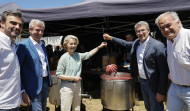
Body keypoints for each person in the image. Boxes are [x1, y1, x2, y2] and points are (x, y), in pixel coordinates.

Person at [103, 21, 169, 111]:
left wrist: (161, 91)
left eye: (143, 30)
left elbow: (164, 71)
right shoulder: (137, 42)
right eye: (138, 31)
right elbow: (125, 43)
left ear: (148, 30)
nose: (140, 33)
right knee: (148, 107)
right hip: (142, 81)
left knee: (156, 108)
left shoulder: (158, 46)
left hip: (154, 84)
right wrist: (111, 38)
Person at [56, 35, 107, 111]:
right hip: (67, 87)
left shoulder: (78, 55)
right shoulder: (63, 58)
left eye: (75, 44)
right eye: (71, 44)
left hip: (77, 85)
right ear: (65, 45)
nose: (73, 46)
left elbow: (89, 54)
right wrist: (73, 78)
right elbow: (59, 75)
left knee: (77, 108)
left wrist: (99, 47)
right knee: (65, 109)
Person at [155, 11, 190, 111]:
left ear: (178, 22)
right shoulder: (169, 40)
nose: (166, 30)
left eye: (168, 25)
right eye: (162, 28)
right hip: (175, 88)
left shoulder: (188, 37)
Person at [16, 19, 52, 111]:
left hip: (44, 84)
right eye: (37, 30)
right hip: (31, 86)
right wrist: (22, 90)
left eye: (42, 30)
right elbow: (16, 69)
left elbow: (45, 64)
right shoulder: (22, 46)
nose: (40, 33)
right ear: (30, 30)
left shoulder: (42, 45)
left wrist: (48, 82)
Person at [0, 10, 23, 111]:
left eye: (20, 25)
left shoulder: (12, 43)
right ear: (2, 23)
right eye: (13, 23)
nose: (17, 27)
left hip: (14, 103)